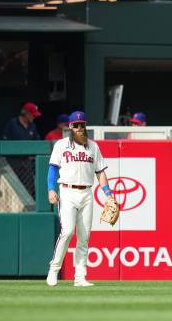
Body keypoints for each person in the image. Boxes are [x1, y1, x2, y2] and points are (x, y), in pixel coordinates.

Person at [46, 110, 115, 287]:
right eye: (76, 125)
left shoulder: (93, 146)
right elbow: (53, 169)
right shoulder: (61, 145)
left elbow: (100, 173)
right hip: (67, 191)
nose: (79, 127)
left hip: (86, 193)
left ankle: (80, 277)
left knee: (84, 237)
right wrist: (50, 190)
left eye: (82, 124)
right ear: (70, 126)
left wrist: (109, 196)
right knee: (68, 231)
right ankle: (54, 269)